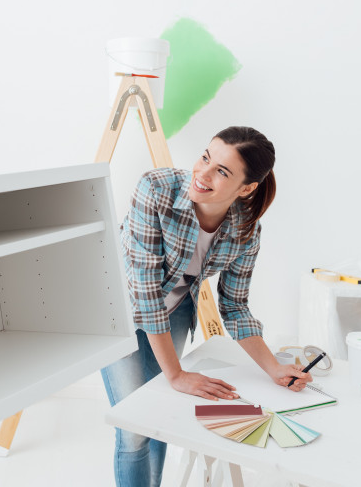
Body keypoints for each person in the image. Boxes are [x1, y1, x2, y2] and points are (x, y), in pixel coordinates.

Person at [100, 126, 310, 487]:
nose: (203, 173)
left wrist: (274, 368)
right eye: (205, 157)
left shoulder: (246, 230)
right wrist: (177, 375)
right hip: (117, 308)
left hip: (176, 307)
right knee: (134, 427)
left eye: (222, 172)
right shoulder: (156, 189)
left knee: (160, 419)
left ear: (246, 188)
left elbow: (235, 305)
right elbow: (147, 294)